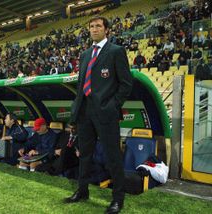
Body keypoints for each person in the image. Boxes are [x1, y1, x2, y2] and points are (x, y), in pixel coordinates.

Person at [64, 16, 133, 214]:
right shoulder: (85, 54)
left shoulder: (116, 51)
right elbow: (80, 87)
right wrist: (75, 114)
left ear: (106, 30)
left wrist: (112, 106)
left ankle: (118, 199)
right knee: (84, 154)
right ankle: (82, 190)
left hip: (106, 113)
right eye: (91, 26)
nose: (94, 29)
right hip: (85, 112)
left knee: (113, 156)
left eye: (98, 26)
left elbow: (126, 84)